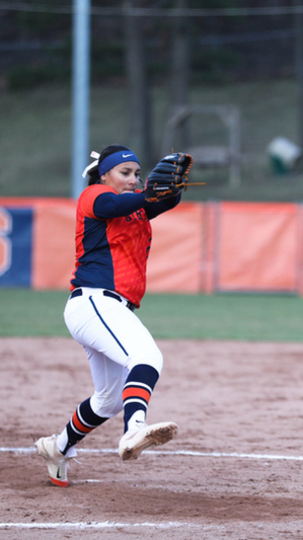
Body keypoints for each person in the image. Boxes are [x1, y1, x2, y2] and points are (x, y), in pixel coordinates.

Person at [35, 145, 188, 487]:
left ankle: (57, 449)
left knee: (109, 399)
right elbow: (113, 205)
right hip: (93, 302)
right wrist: (149, 192)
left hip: (108, 308)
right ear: (104, 174)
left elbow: (161, 203)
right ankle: (133, 431)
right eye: (125, 172)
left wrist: (172, 192)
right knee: (146, 356)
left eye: (137, 173)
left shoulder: (137, 211)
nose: (133, 179)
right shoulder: (94, 195)